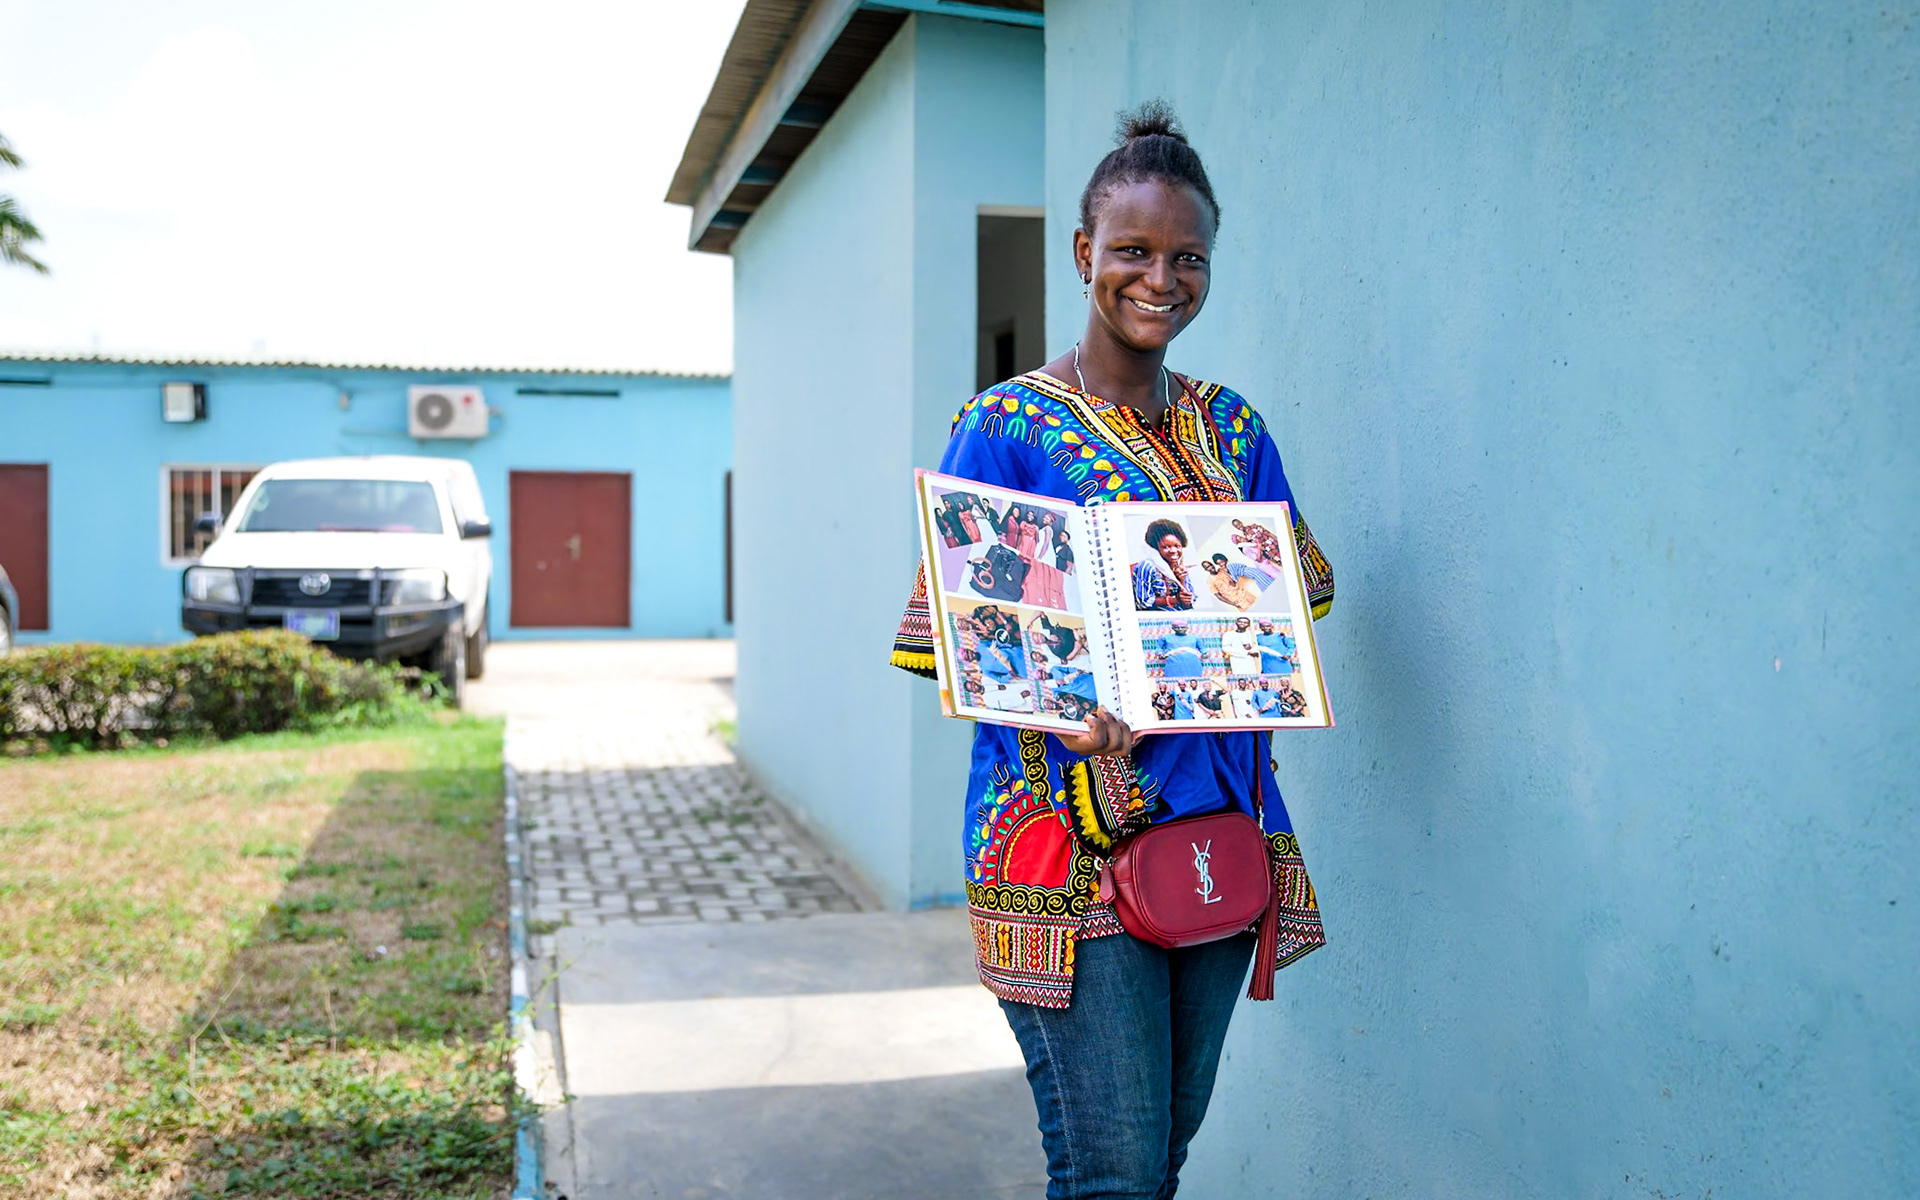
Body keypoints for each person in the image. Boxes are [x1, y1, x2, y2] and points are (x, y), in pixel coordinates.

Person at [890, 100, 1336, 1198]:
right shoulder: (1002, 426)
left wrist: (1246, 628)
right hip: (1063, 843)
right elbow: (959, 641)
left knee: (1160, 1156)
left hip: (1220, 831)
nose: (1160, 277)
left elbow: (1293, 600)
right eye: (1132, 250)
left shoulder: (1234, 430)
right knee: (1112, 1174)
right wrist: (1062, 705)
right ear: (1085, 252)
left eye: (1188, 256)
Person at [1131, 516, 1196, 610]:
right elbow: (1143, 602)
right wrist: (1175, 600)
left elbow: (1189, 603)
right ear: (1155, 548)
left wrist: (1181, 580)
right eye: (1166, 547)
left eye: (1177, 546)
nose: (1173, 551)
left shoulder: (1179, 567)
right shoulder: (1147, 566)